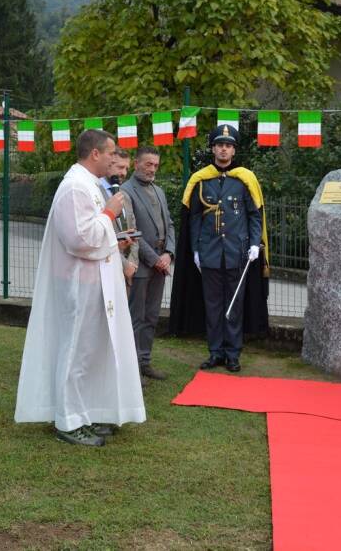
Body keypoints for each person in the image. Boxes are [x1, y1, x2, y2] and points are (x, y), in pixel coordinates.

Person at [14, 129, 146, 447]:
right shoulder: (75, 187)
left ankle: (86, 413)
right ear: (95, 154)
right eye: (111, 152)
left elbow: (92, 232)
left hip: (94, 281)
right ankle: (68, 421)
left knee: (90, 352)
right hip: (78, 283)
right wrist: (110, 213)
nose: (116, 158)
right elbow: (79, 239)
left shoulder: (89, 184)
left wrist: (116, 237)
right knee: (75, 351)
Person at [168, 124, 269, 373]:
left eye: (228, 146)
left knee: (234, 306)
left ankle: (233, 353)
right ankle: (215, 352)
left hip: (238, 253)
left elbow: (254, 215)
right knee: (212, 305)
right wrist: (195, 250)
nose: (224, 150)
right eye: (220, 145)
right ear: (213, 148)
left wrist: (255, 244)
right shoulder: (201, 180)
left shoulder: (245, 180)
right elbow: (193, 218)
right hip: (210, 253)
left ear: (233, 151)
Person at [122, 146, 176, 382]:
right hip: (142, 265)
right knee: (136, 317)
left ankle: (144, 361)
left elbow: (170, 224)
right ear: (136, 164)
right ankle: (131, 367)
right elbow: (131, 232)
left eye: (155, 164)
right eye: (148, 164)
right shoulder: (126, 191)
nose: (152, 168)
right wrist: (155, 260)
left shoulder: (160, 191)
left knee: (152, 316)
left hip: (160, 263)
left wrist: (169, 254)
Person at [109, 150, 140, 292]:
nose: (124, 172)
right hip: (108, 268)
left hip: (127, 274)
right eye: (120, 167)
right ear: (109, 163)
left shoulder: (125, 196)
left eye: (127, 168)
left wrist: (132, 264)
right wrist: (124, 264)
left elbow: (133, 233)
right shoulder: (97, 193)